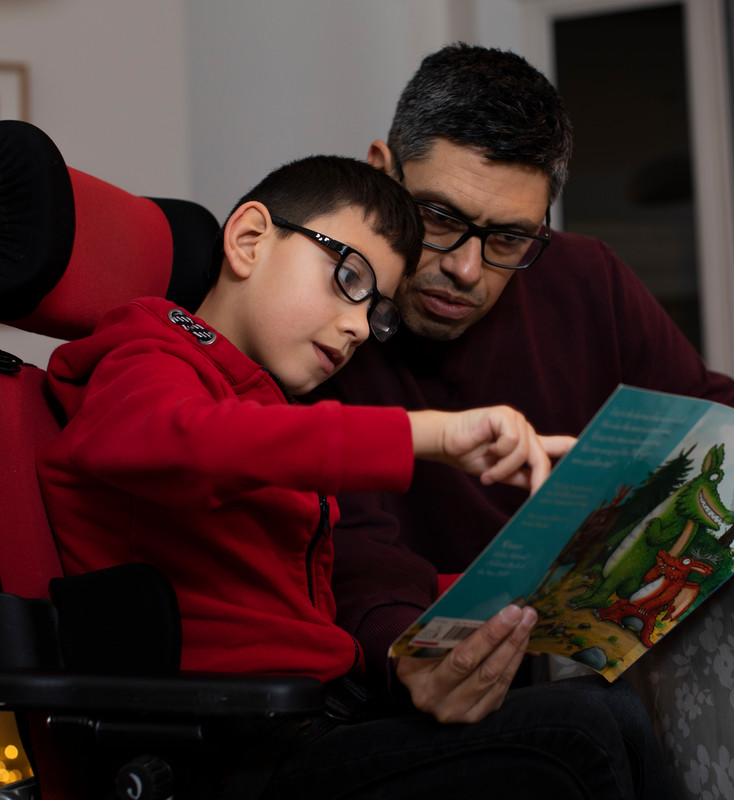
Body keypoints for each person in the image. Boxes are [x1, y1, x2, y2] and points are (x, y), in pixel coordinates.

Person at [37, 155, 664, 799]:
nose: (360, 326)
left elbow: (320, 596)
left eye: (378, 311)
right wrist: (430, 433)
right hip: (233, 755)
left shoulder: (262, 408)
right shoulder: (143, 356)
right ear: (250, 240)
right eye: (348, 279)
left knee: (609, 707)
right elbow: (184, 442)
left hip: (322, 718)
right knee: (578, 729)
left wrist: (528, 588)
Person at [313, 43, 734, 718]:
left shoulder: (584, 277)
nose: (466, 269)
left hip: (567, 655)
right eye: (440, 219)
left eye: (510, 238)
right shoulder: (316, 319)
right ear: (380, 173)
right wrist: (401, 653)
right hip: (397, 680)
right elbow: (344, 544)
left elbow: (714, 422)